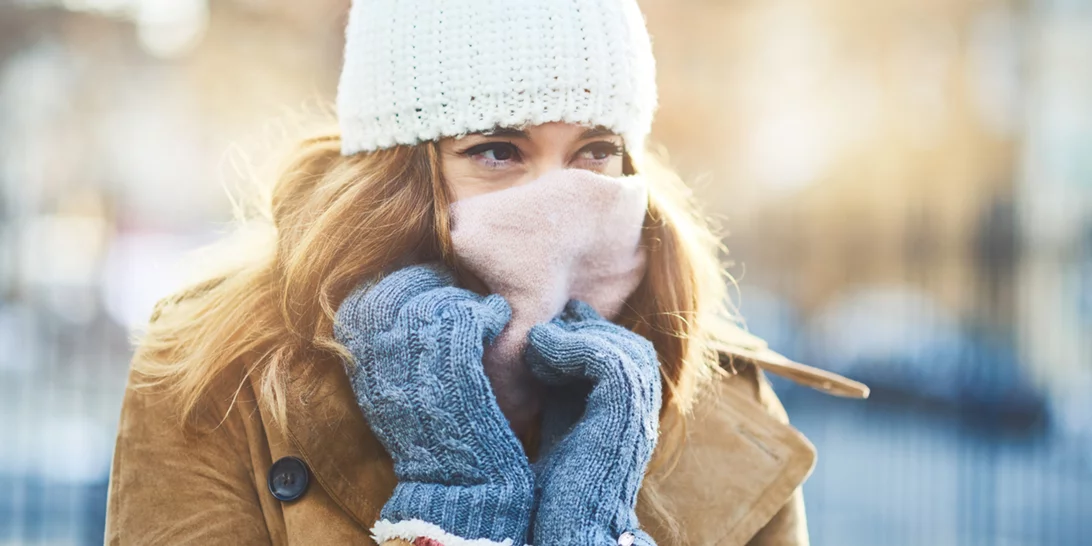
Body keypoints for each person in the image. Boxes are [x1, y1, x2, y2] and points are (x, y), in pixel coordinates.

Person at [104, 0, 869, 544]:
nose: (558, 201)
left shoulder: (724, 409)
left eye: (595, 150)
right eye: (498, 151)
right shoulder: (220, 375)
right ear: (396, 175)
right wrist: (457, 510)